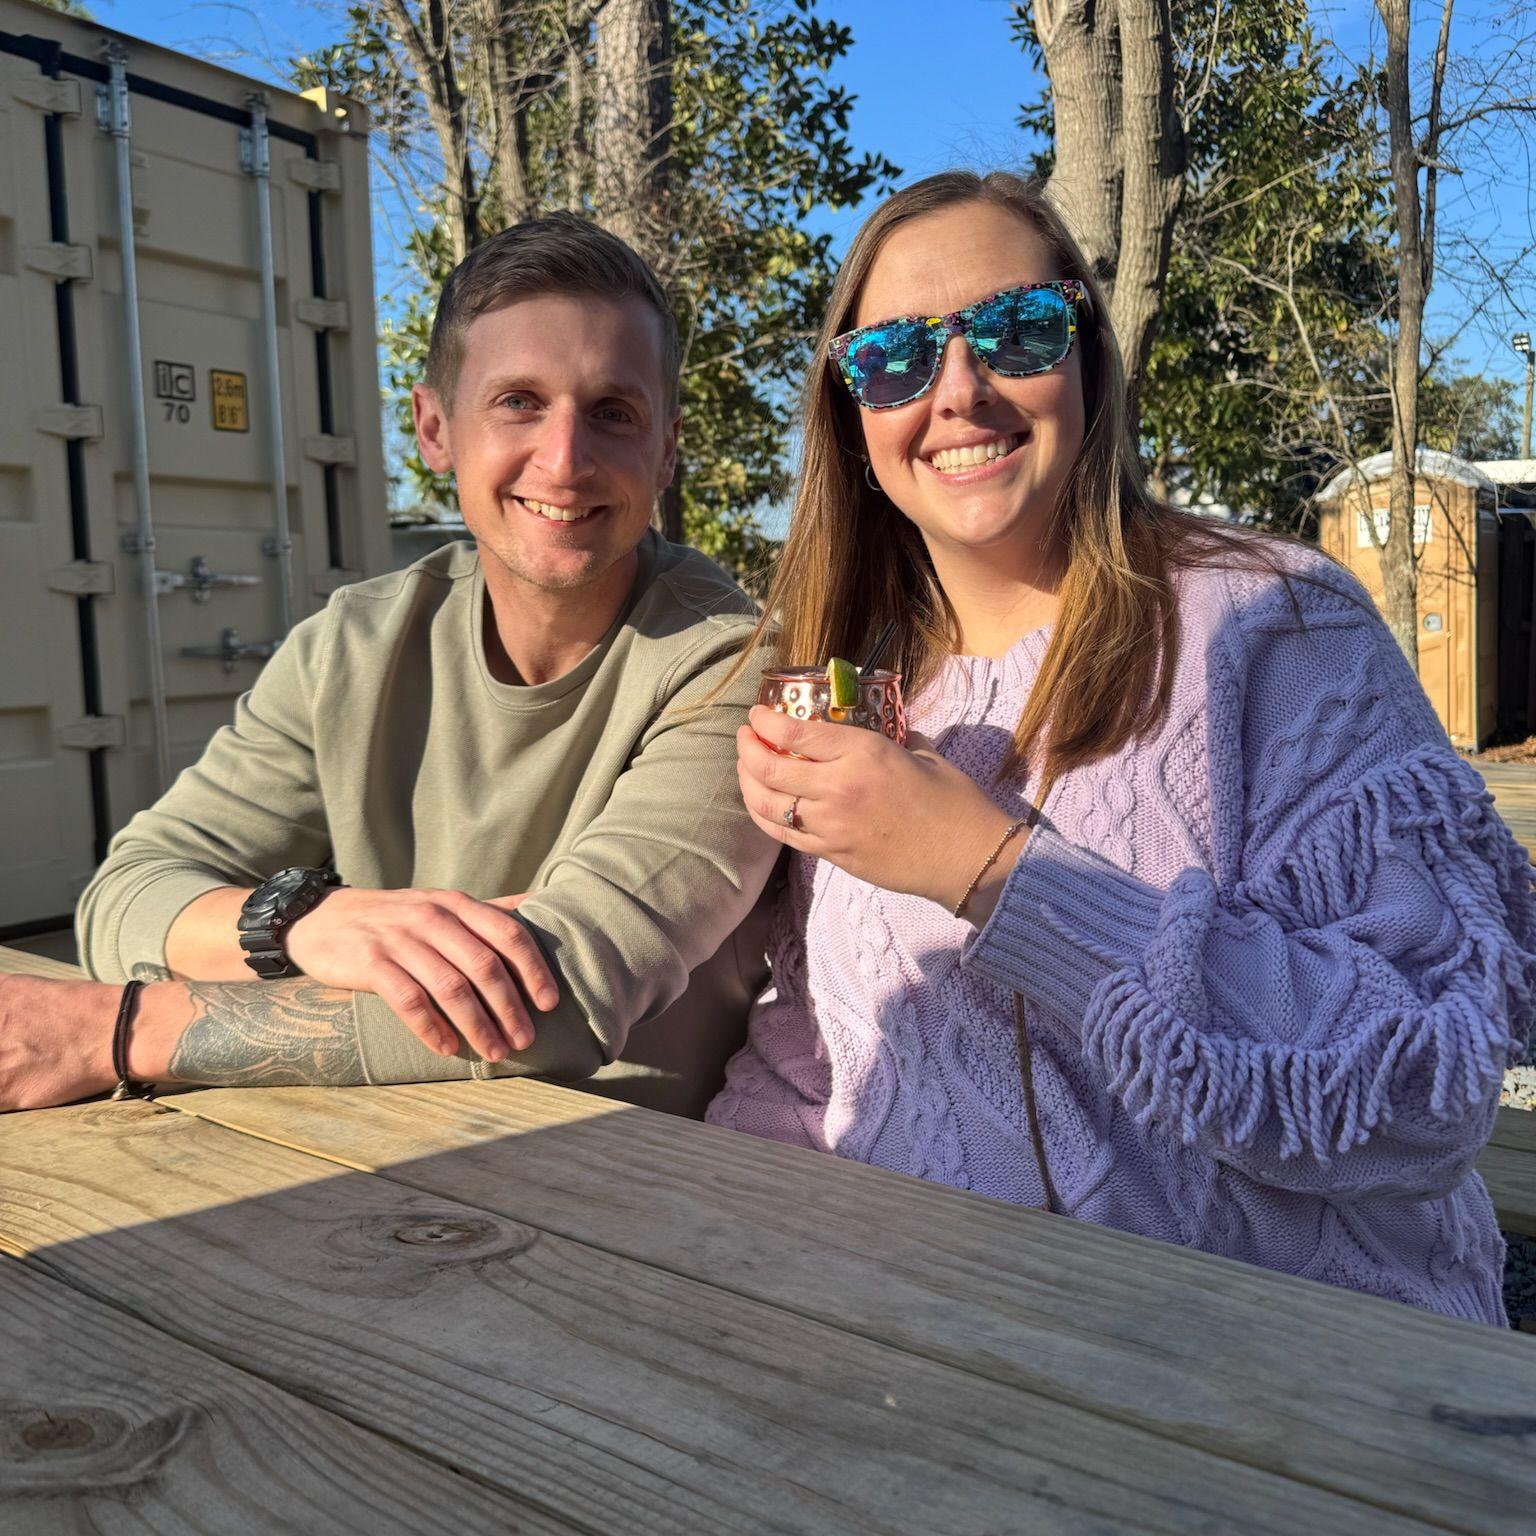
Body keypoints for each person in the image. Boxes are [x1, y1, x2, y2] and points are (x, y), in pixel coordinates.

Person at [706, 169, 1536, 1324]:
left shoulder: (1278, 627)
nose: (958, 390)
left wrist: (995, 871)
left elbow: (1422, 1099)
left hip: (1308, 1392)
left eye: (1017, 330)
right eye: (894, 356)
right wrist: (712, 1271)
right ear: (851, 409)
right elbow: (815, 1063)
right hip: (951, 1376)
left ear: (1088, 357)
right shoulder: (856, 682)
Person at [0, 213, 778, 1116]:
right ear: (435, 429)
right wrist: (304, 923)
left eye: (613, 412)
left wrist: (116, 1030)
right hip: (361, 1149)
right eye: (518, 402)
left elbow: (562, 999)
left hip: (642, 1187)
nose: (564, 461)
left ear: (667, 449)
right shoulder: (352, 644)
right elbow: (127, 892)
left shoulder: (731, 664)